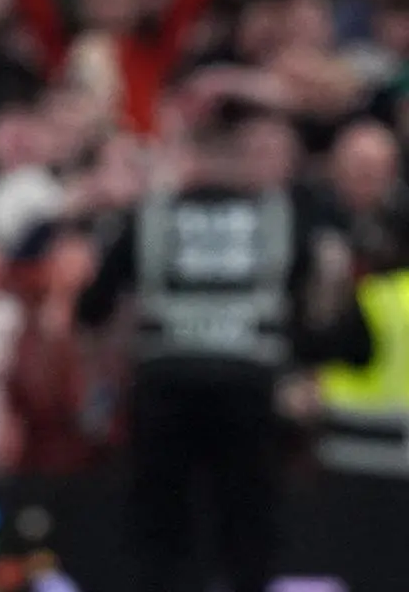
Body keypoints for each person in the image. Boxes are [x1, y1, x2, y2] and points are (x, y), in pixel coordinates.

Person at [76, 116, 372, 592]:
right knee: (247, 521)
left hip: (164, 383)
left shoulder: (151, 214)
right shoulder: (283, 215)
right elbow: (316, 308)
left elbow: (94, 306)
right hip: (249, 386)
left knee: (163, 526)